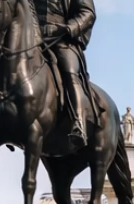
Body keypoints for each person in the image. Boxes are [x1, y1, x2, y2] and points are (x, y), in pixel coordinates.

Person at [35, 0, 98, 146]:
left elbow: (87, 13)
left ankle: (78, 123)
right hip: (32, 38)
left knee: (70, 73)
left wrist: (69, 27)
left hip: (62, 39)